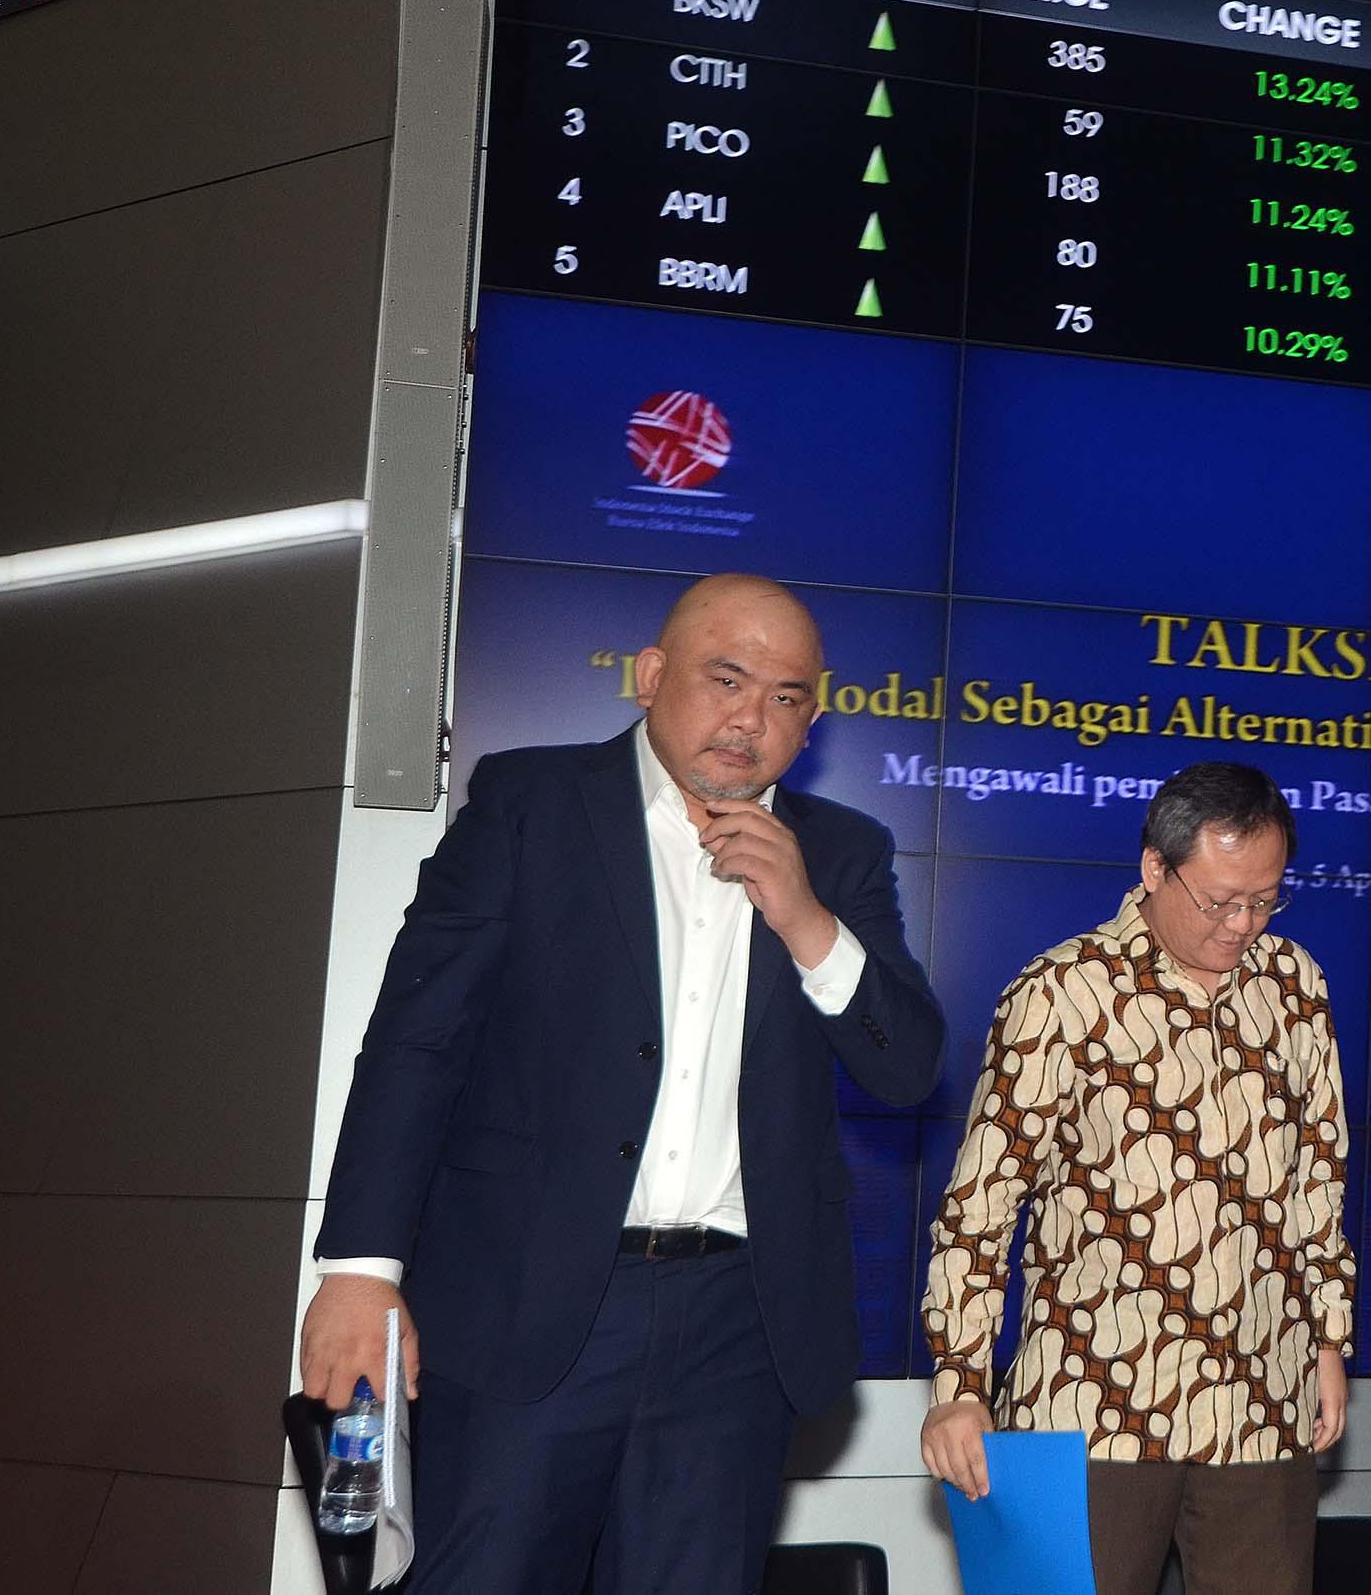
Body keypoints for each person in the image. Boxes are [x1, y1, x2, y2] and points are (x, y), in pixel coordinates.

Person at [296, 574, 946, 1594]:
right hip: (532, 1301)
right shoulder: (531, 804)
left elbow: (905, 1065)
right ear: (651, 676)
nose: (751, 717)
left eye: (785, 697)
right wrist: (359, 1271)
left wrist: (807, 919)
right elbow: (418, 1040)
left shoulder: (840, 852)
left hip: (738, 1325)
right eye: (726, 679)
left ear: (811, 721)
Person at [919, 762, 1355, 1595]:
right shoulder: (1061, 992)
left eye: (1265, 900)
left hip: (1262, 1401)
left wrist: (1327, 1341)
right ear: (1155, 867)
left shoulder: (1296, 985)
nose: (1241, 924)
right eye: (1219, 900)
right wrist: (960, 1383)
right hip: (1091, 1405)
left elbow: (1318, 1182)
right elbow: (981, 1206)